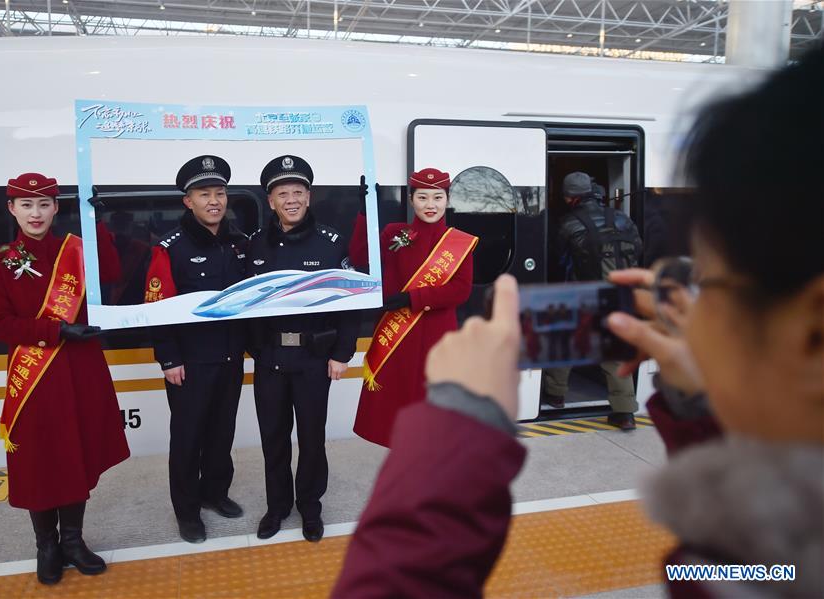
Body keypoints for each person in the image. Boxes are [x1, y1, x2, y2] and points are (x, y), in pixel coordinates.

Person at [332, 45, 823, 598]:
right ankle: (615, 409)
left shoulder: (776, 567)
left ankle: (577, 400)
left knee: (578, 363)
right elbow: (719, 570)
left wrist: (458, 437)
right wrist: (700, 412)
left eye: (707, 281)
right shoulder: (783, 560)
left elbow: (705, 572)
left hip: (492, 320)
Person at [0, 173, 129, 585]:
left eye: (44, 204)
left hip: (80, 371)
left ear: (55, 208)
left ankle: (74, 542)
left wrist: (96, 222)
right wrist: (56, 331)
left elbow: (112, 272)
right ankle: (46, 544)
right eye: (26, 205)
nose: (35, 213)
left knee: (74, 453)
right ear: (12, 209)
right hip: (35, 377)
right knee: (39, 460)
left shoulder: (75, 249)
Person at [247, 155, 357, 543]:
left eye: (297, 192)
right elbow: (242, 304)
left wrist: (343, 353)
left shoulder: (331, 243)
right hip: (270, 359)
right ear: (271, 200)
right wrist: (254, 350)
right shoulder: (255, 245)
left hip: (313, 358)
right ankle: (277, 507)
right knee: (273, 437)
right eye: (282, 193)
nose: (290, 199)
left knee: (312, 438)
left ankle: (310, 507)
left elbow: (348, 302)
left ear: (308, 197)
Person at [143, 155, 249, 544]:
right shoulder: (170, 248)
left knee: (222, 433)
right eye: (205, 194)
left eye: (219, 193)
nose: (214, 201)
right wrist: (169, 359)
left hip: (230, 357)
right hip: (188, 364)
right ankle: (187, 512)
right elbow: (158, 310)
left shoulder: (240, 243)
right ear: (188, 201)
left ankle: (215, 493)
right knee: (188, 438)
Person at [349, 168, 478, 448]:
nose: (430, 205)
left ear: (447, 199)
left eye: (437, 197)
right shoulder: (397, 234)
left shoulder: (459, 243)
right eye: (422, 197)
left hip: (437, 337)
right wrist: (366, 213)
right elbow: (360, 257)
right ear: (411, 200)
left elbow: (461, 290)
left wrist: (412, 299)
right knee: (397, 412)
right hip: (399, 338)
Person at [542, 170, 643, 429]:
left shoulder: (569, 223)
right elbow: (639, 250)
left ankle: (555, 395)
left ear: (568, 197)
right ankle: (625, 413)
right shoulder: (622, 218)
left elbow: (556, 259)